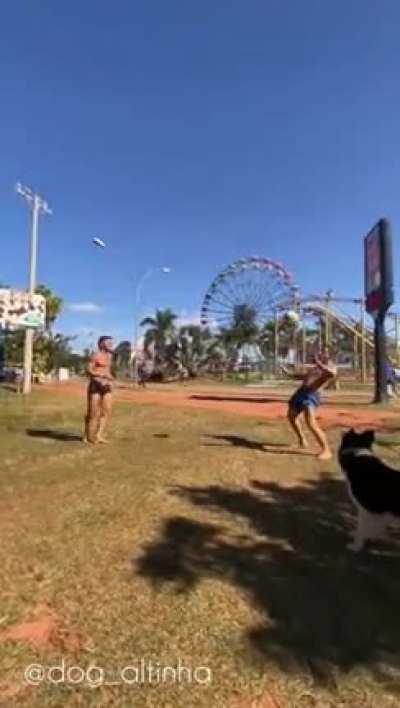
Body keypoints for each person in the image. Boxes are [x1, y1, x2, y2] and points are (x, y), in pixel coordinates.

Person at [281, 347, 336, 461]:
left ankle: (326, 450)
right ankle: (302, 440)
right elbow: (303, 376)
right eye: (320, 351)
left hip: (311, 396)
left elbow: (331, 373)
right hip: (300, 393)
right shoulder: (315, 367)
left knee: (311, 423)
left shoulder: (331, 366)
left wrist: (319, 363)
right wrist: (288, 373)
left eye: (324, 352)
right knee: (291, 417)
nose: (320, 353)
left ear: (329, 354)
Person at [84, 336, 114, 444]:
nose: (111, 344)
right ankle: (87, 435)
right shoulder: (95, 355)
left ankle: (98, 435)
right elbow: (88, 370)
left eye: (111, 342)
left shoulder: (110, 356)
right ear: (101, 344)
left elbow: (107, 370)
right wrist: (100, 374)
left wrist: (110, 377)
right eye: (108, 342)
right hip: (95, 386)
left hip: (106, 386)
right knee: (92, 412)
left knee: (106, 410)